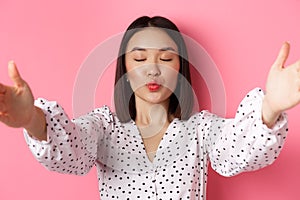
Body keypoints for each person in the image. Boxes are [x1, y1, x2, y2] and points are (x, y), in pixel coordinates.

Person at [0, 16, 299, 200]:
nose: (153, 70)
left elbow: (238, 150)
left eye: (166, 59)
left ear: (180, 68)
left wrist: (270, 107)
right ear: (125, 68)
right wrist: (33, 121)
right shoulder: (105, 127)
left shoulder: (201, 129)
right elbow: (73, 150)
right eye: (140, 59)